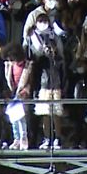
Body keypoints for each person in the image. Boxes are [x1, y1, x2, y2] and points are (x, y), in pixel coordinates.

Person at [29, 13, 66, 149]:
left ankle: (58, 138)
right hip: (43, 82)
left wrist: (54, 53)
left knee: (56, 111)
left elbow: (61, 58)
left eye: (45, 21)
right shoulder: (33, 37)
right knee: (44, 112)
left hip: (55, 81)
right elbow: (33, 56)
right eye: (40, 22)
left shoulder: (54, 36)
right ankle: (47, 138)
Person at [0, 42, 31, 150]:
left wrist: (26, 90)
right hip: (13, 94)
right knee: (13, 118)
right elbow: (8, 80)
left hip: (22, 95)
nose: (10, 60)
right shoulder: (10, 65)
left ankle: (23, 139)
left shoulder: (27, 65)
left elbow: (30, 81)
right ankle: (16, 139)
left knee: (21, 119)